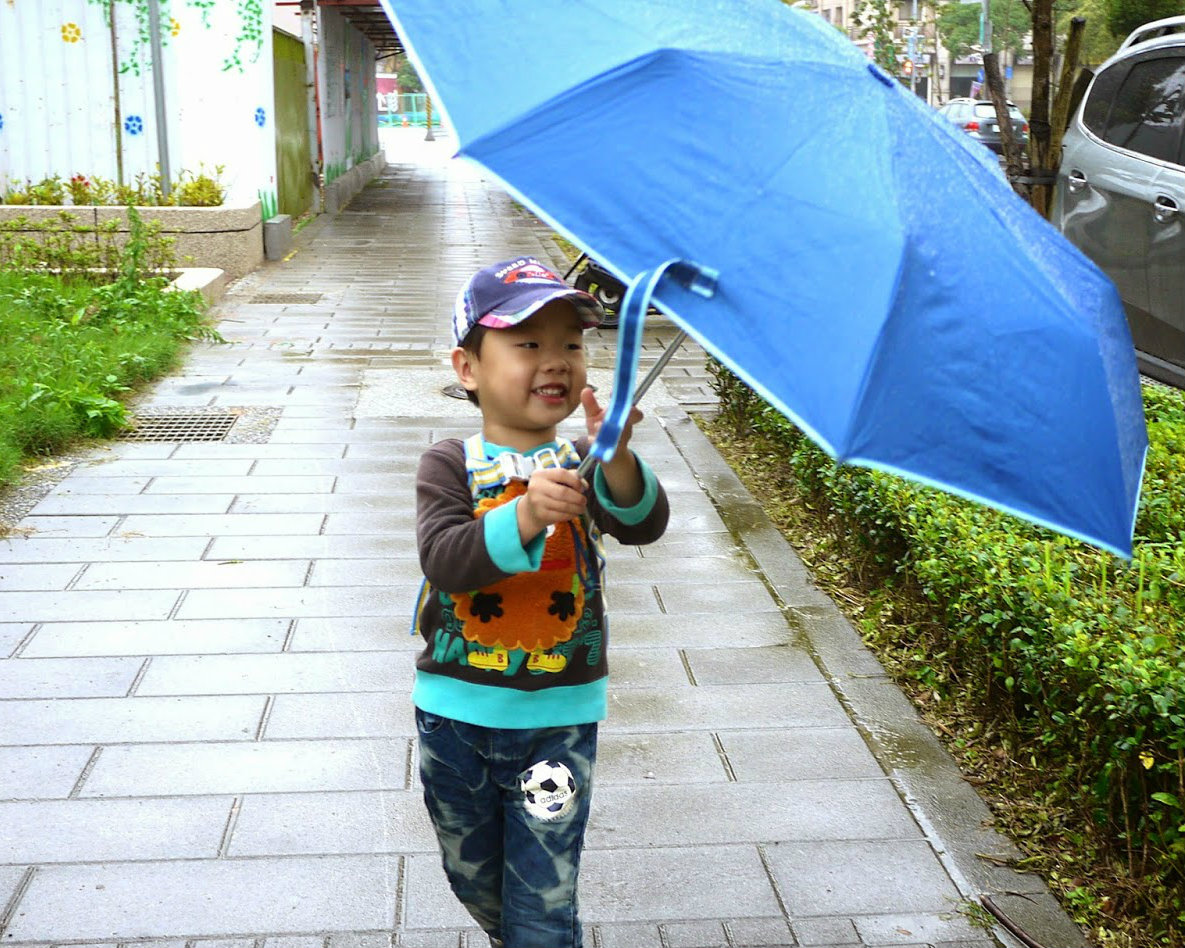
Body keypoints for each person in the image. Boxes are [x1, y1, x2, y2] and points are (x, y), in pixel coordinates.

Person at [413, 256, 670, 948]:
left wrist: (613, 453)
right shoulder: (449, 463)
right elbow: (444, 559)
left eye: (571, 344)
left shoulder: (582, 461)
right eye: (527, 344)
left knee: (545, 898)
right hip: (455, 721)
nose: (554, 361)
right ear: (467, 368)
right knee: (474, 878)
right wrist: (524, 516)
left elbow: (644, 521)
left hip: (557, 722)